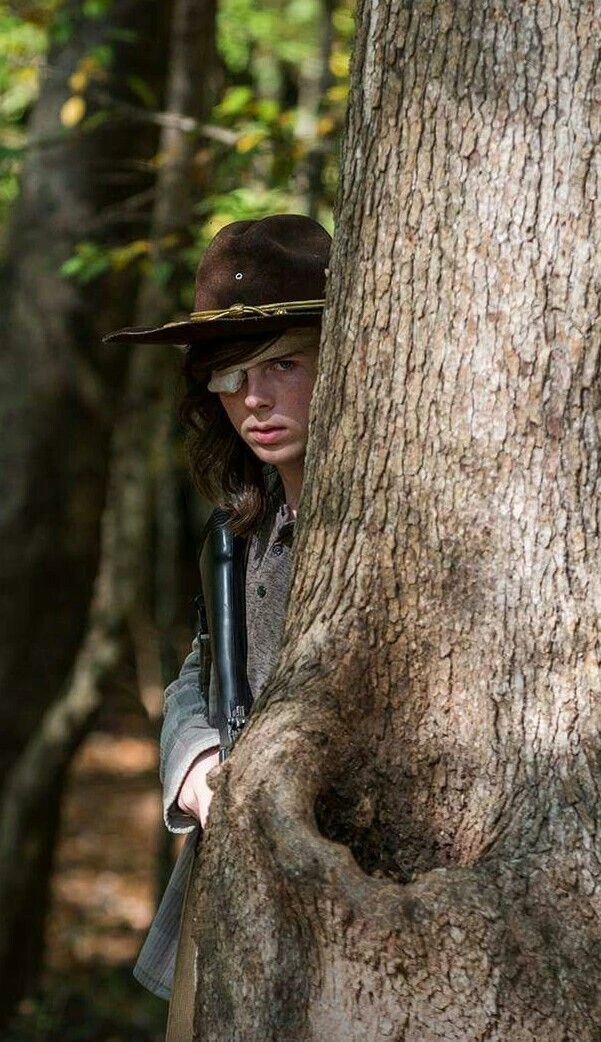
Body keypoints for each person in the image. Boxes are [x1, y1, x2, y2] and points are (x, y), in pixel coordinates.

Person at [105, 213, 331, 1001]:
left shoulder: (381, 523)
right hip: (232, 876)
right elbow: (201, 669)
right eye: (230, 377)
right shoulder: (238, 524)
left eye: (283, 365)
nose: (254, 399)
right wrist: (197, 766)